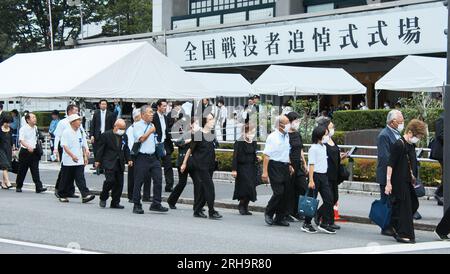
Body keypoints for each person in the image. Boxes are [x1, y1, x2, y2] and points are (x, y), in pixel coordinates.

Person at [385, 119, 427, 244]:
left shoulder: (411, 145)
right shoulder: (399, 144)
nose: (418, 139)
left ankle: (394, 225)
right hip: (399, 181)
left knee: (413, 204)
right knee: (406, 207)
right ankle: (403, 234)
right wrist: (388, 183)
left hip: (408, 181)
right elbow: (390, 164)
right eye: (417, 136)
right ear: (410, 132)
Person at [181, 113, 222, 219]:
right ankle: (212, 211)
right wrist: (184, 163)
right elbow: (190, 149)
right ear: (205, 122)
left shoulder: (211, 134)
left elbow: (211, 149)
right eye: (210, 119)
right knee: (210, 187)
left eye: (213, 119)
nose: (213, 121)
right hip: (200, 166)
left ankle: (197, 210)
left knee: (204, 189)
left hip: (210, 165)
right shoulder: (198, 135)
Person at [132, 105, 168, 214]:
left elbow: (154, 140)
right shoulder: (137, 125)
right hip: (142, 157)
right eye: (149, 112)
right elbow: (141, 139)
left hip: (153, 157)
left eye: (152, 112)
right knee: (139, 181)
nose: (152, 114)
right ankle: (137, 204)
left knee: (158, 179)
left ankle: (156, 203)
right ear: (143, 115)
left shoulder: (152, 125)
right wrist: (150, 131)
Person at [302, 126, 336, 234]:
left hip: (323, 176)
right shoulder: (313, 148)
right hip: (315, 176)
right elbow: (311, 165)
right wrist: (311, 180)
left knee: (329, 199)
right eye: (325, 134)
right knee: (311, 201)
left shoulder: (323, 147)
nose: (327, 136)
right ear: (319, 136)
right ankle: (306, 223)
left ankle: (324, 223)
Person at [316, 116, 348, 230]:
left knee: (334, 198)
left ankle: (320, 214)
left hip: (335, 173)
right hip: (326, 173)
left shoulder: (331, 139)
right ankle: (327, 221)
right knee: (329, 198)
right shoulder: (323, 141)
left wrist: (341, 157)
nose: (333, 127)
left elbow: (334, 154)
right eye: (331, 125)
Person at [376, 109, 404, 236]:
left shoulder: (397, 133)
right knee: (386, 201)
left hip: (396, 174)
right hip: (386, 174)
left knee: (394, 201)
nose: (402, 123)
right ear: (393, 122)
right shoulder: (384, 135)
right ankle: (386, 226)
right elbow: (385, 157)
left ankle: (393, 224)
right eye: (400, 121)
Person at [262, 115, 293, 227]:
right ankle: (269, 212)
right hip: (274, 166)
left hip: (284, 166)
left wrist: (289, 164)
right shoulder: (272, 137)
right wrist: (264, 172)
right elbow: (266, 155)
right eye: (287, 122)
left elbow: (286, 152)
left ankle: (280, 217)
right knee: (278, 191)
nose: (290, 124)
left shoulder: (286, 136)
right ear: (280, 125)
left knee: (286, 193)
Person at [57, 114, 95, 203]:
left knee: (80, 178)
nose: (80, 122)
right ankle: (62, 194)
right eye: (78, 120)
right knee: (66, 178)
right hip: (68, 160)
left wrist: (85, 155)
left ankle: (85, 195)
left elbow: (83, 144)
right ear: (72, 122)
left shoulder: (80, 131)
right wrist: (72, 156)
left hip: (79, 159)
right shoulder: (66, 132)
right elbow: (64, 146)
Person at [95, 119, 131, 209]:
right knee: (110, 181)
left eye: (124, 128)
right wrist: (97, 161)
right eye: (121, 128)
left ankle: (115, 202)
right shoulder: (106, 135)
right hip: (109, 161)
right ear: (115, 126)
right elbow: (100, 149)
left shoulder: (124, 136)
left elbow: (126, 148)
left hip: (120, 162)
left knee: (119, 183)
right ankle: (103, 196)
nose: (122, 130)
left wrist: (129, 159)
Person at [53, 104, 84, 199]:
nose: (77, 112)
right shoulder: (63, 122)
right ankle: (59, 189)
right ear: (70, 111)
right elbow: (57, 136)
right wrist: (55, 149)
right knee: (65, 169)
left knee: (73, 170)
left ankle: (70, 190)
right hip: (64, 146)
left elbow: (83, 135)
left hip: (75, 147)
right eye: (75, 111)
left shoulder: (78, 122)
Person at [167, 117, 195, 209]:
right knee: (182, 183)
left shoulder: (199, 135)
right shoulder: (187, 134)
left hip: (193, 162)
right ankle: (171, 200)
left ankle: (198, 204)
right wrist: (188, 141)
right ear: (191, 125)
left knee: (198, 182)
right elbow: (177, 143)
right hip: (183, 161)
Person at [15, 113, 47, 193]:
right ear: (28, 120)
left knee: (35, 170)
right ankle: (19, 186)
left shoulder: (35, 128)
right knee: (22, 170)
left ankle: (38, 187)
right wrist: (28, 146)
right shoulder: (23, 129)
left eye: (35, 117)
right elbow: (21, 140)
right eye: (33, 117)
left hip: (34, 152)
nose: (35, 119)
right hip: (25, 152)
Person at [285, 112, 308, 222]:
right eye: (296, 120)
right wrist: (289, 164)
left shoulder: (297, 134)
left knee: (303, 187)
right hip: (289, 165)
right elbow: (285, 151)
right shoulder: (285, 135)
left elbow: (301, 149)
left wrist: (304, 163)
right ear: (290, 121)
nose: (297, 123)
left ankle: (297, 210)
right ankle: (287, 212)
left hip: (298, 165)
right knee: (289, 189)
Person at [231, 123, 258, 215]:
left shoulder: (253, 142)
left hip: (251, 167)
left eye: (253, 132)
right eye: (250, 132)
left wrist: (257, 158)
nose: (252, 135)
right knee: (244, 187)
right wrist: (234, 169)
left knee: (251, 188)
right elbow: (235, 156)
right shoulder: (239, 142)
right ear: (245, 132)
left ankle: (246, 206)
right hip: (242, 168)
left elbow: (254, 153)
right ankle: (241, 205)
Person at [126, 108, 151, 203]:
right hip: (134, 154)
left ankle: (146, 196)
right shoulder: (131, 128)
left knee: (147, 175)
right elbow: (130, 143)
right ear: (136, 118)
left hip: (144, 154)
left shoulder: (145, 127)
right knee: (133, 176)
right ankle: (131, 195)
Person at [153, 99, 175, 193]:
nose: (165, 108)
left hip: (165, 143)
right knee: (154, 166)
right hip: (156, 144)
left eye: (166, 106)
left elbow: (167, 131)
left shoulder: (166, 118)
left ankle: (169, 186)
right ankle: (153, 186)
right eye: (163, 106)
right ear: (158, 107)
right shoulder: (153, 117)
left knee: (168, 165)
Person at [90, 99, 117, 170]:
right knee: (97, 151)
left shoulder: (111, 114)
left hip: (107, 135)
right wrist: (92, 135)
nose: (103, 105)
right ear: (99, 105)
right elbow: (92, 125)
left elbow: (113, 126)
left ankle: (104, 167)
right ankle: (97, 167)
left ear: (107, 105)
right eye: (102, 104)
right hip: (97, 134)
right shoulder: (96, 113)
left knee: (105, 151)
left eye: (105, 104)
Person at [433, 113, 444, 206]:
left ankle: (441, 193)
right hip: (442, 152)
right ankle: (439, 193)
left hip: (445, 152)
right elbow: (440, 135)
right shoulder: (441, 118)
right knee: (447, 173)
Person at [0, 115, 14, 189]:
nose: (8, 124)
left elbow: (12, 141)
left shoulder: (10, 129)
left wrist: (14, 149)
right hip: (1, 149)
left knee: (6, 166)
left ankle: (3, 183)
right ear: (4, 122)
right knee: (5, 164)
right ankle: (8, 182)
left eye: (10, 123)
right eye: (7, 123)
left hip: (8, 149)